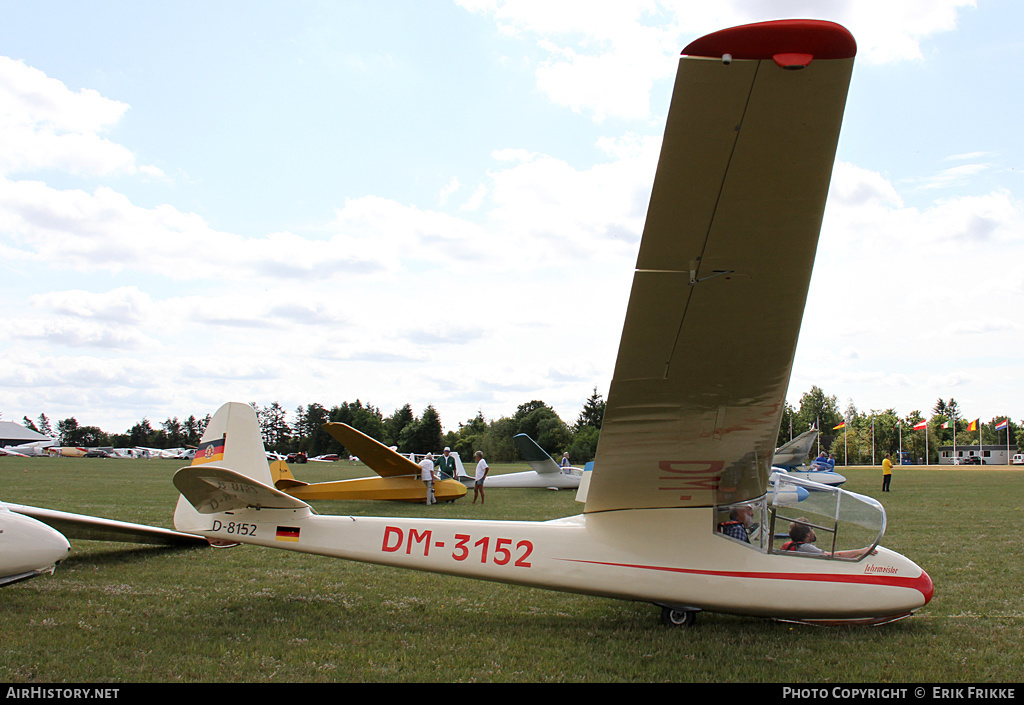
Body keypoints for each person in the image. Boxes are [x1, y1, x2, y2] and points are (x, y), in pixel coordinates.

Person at [781, 520, 876, 559]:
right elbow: (832, 556)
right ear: (807, 534)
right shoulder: (806, 548)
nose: (814, 531)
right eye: (812, 529)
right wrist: (860, 551)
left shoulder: (790, 545)